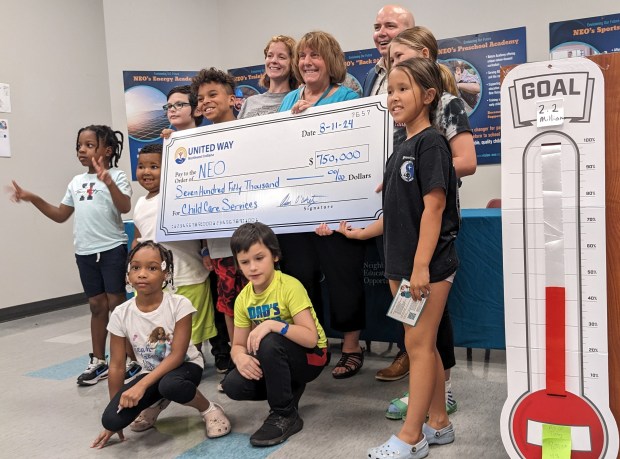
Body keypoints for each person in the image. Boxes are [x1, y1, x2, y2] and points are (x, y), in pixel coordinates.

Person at [367, 58, 458, 459]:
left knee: (418, 347)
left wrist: (421, 266)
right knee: (426, 345)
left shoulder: (432, 142)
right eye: (390, 89)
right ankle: (438, 422)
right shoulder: (401, 148)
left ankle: (411, 436)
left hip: (428, 267)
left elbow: (435, 208)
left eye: (403, 88)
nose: (394, 96)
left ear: (428, 95)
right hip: (400, 265)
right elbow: (399, 212)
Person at [10, 125, 137, 386]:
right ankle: (99, 361)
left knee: (117, 305)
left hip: (112, 248)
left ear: (107, 150)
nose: (82, 149)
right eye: (79, 145)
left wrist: (109, 182)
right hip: (85, 252)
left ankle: (131, 359)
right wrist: (33, 198)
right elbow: (60, 215)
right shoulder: (76, 182)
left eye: (89, 145)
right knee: (96, 306)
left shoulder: (116, 175)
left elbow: (124, 206)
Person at [278, 31, 364, 379]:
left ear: (331, 62)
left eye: (315, 56)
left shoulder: (347, 96)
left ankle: (351, 347)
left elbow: (353, 151)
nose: (307, 62)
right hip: (296, 215)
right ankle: (314, 347)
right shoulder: (288, 100)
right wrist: (292, 122)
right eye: (302, 56)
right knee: (300, 282)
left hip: (336, 212)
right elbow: (279, 151)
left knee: (345, 281)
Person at [91, 241, 231, 448]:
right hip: (150, 373)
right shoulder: (121, 313)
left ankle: (209, 409)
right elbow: (117, 366)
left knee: (171, 385)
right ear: (128, 274)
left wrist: (141, 386)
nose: (142, 274)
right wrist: (117, 406)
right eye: (136, 267)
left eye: (152, 268)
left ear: (166, 274)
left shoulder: (179, 305)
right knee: (112, 419)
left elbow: (176, 355)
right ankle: (157, 401)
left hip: (185, 366)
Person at [222, 223, 328, 446]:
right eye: (245, 262)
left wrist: (273, 324)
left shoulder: (290, 286)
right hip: (278, 356)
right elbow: (238, 344)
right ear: (238, 265)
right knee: (233, 384)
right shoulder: (243, 298)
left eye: (259, 258)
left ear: (275, 256)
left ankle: (284, 415)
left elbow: (311, 338)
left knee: (269, 342)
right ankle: (288, 388)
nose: (252, 267)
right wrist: (239, 357)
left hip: (312, 356)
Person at [160, 86, 232, 374]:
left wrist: (204, 245)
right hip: (190, 246)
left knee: (220, 299)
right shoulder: (167, 146)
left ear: (195, 109)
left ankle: (225, 351)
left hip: (214, 240)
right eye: (169, 106)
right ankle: (196, 354)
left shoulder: (210, 138)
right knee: (215, 298)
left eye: (180, 104)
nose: (173, 110)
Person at [190, 67, 247, 371]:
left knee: (261, 296)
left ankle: (262, 356)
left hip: (253, 240)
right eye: (201, 98)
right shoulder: (196, 142)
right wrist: (204, 248)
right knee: (228, 304)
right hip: (220, 244)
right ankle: (239, 360)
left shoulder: (251, 132)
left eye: (213, 94)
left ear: (232, 98)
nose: (207, 101)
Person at [237, 35, 298, 119]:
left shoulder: (298, 100)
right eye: (270, 56)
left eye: (281, 57)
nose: (273, 61)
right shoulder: (249, 103)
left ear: (292, 62)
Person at [362, 4, 415, 97]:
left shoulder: (426, 72)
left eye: (390, 26)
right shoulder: (370, 76)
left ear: (410, 32)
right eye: (377, 28)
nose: (381, 33)